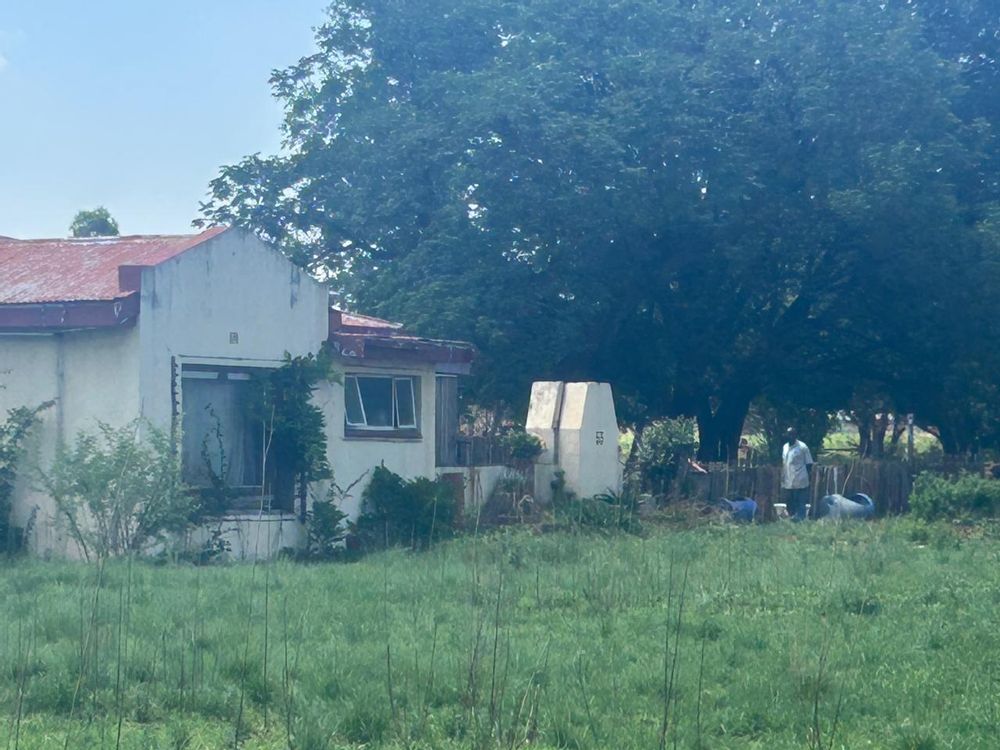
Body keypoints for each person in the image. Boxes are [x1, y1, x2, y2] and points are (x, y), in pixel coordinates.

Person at [781, 427, 814, 521]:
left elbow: (809, 463)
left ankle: (800, 520)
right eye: (788, 434)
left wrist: (805, 476)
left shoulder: (802, 447)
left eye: (792, 434)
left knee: (800, 501)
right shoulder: (785, 447)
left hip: (800, 479)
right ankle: (792, 519)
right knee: (790, 501)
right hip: (788, 479)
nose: (790, 436)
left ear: (795, 435)